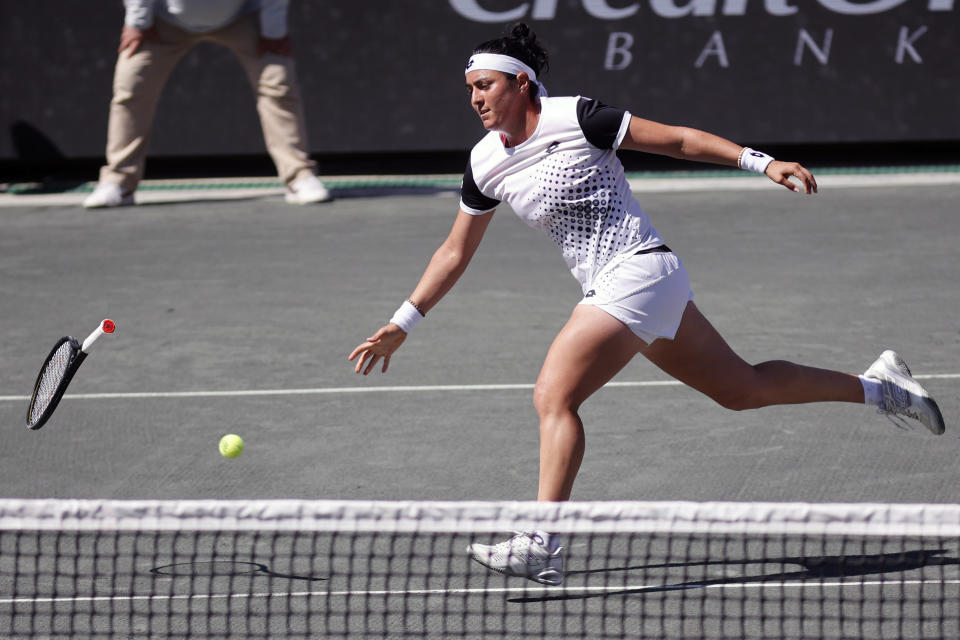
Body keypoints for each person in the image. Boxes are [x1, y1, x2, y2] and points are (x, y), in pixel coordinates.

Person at [347, 23, 946, 586]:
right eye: (470, 89)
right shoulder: (485, 163)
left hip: (637, 271)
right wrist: (404, 322)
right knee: (742, 389)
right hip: (622, 286)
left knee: (554, 395)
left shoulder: (575, 117)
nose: (475, 98)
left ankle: (542, 541)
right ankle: (882, 388)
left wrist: (761, 162)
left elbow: (679, 140)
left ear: (519, 83)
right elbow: (455, 252)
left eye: (485, 85)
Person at [83, 0, 330, 208]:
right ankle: (118, 182)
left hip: (242, 16)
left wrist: (272, 31)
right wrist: (138, 21)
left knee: (278, 82)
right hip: (163, 20)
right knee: (131, 86)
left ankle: (299, 177)